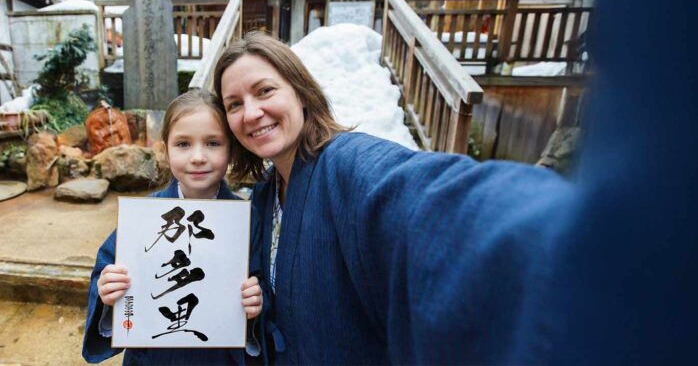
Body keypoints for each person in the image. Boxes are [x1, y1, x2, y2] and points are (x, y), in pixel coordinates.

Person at [213, 32, 575, 364]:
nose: (251, 113)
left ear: (300, 91)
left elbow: (425, 196)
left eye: (264, 91)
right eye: (234, 104)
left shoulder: (347, 163)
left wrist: (557, 223)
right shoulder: (266, 192)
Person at [82, 89, 264, 365]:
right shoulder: (143, 218)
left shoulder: (248, 219)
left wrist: (256, 305)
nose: (198, 157)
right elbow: (106, 271)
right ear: (165, 148)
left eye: (213, 143)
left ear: (232, 149)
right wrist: (107, 292)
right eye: (183, 144)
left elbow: (265, 284)